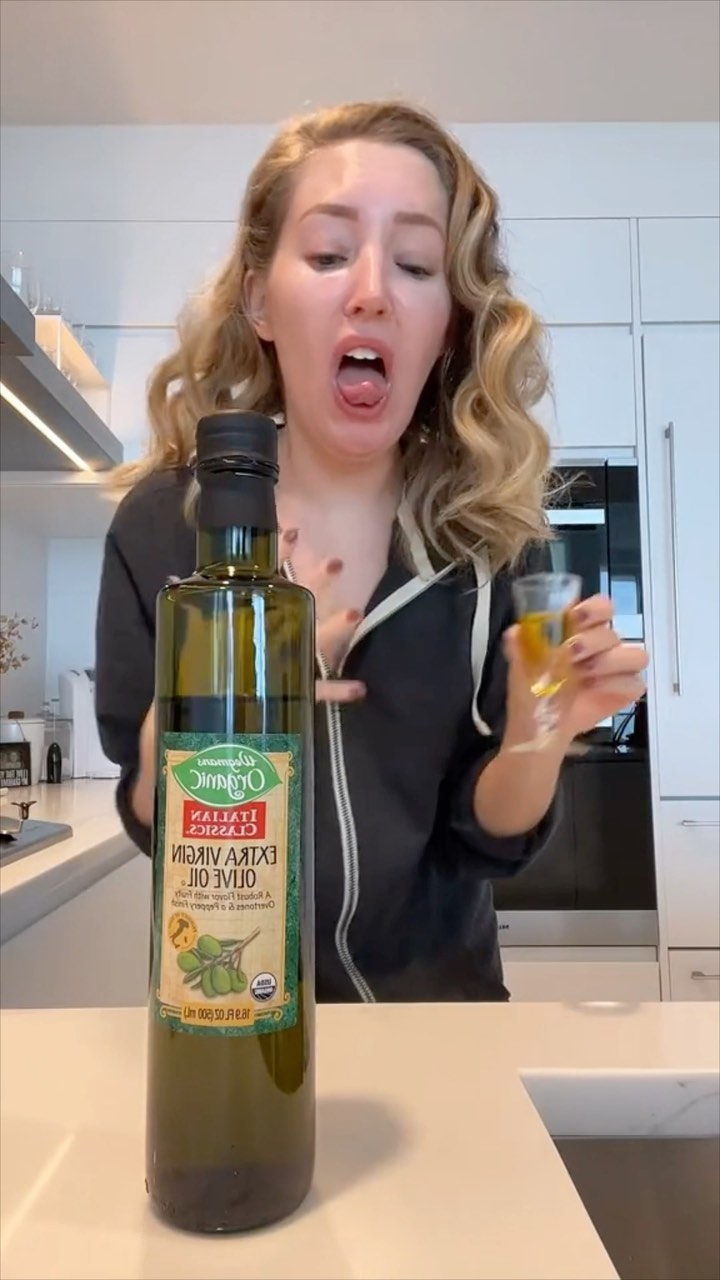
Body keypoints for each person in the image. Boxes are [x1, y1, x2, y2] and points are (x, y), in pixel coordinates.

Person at [95, 100, 647, 1003]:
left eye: (417, 264)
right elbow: (151, 817)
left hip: (446, 1021)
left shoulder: (491, 539)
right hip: (234, 1013)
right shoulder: (163, 528)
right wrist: (200, 722)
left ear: (450, 324)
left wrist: (538, 735)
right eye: (327, 254)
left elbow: (487, 837)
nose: (372, 291)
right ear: (259, 299)